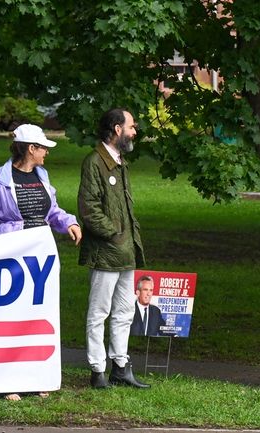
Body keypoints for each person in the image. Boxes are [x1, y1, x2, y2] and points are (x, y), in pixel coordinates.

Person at [0, 123, 81, 401]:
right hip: (11, 259)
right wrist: (2, 241)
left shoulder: (42, 175)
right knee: (10, 317)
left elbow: (52, 211)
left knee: (38, 316)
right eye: (43, 147)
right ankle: (9, 380)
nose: (46, 153)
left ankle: (37, 376)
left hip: (39, 256)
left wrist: (69, 222)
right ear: (30, 149)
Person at [78, 108, 149, 389]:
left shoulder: (119, 162)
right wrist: (115, 234)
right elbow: (88, 208)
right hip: (107, 252)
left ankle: (120, 367)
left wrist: (125, 239)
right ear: (117, 129)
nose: (135, 131)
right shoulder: (95, 162)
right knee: (99, 312)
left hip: (125, 252)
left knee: (124, 311)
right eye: (132, 126)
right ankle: (97, 371)